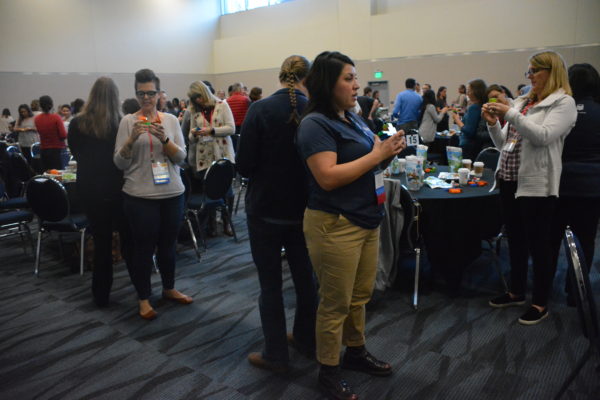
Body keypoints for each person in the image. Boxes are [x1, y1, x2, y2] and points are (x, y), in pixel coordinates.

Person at [297, 51, 406, 399]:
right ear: (328, 83)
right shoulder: (315, 124)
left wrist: (387, 152)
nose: (357, 84)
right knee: (334, 304)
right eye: (348, 78)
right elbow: (327, 177)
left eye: (355, 77)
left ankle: (355, 352)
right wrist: (377, 155)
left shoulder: (351, 118)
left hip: (365, 218)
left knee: (360, 296)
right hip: (334, 224)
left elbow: (368, 161)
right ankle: (328, 372)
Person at [236, 55, 319, 374]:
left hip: (265, 211)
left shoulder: (260, 109)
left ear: (281, 76)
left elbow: (243, 166)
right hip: (306, 211)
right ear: (307, 79)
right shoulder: (315, 111)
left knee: (270, 285)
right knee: (306, 280)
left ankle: (276, 354)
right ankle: (306, 340)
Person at [483, 50, 577, 325]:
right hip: (509, 179)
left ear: (552, 71)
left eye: (536, 70)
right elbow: (504, 145)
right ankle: (516, 291)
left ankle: (540, 301)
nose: (531, 76)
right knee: (516, 241)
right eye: (529, 71)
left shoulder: (563, 103)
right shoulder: (524, 101)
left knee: (539, 245)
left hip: (537, 184)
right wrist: (493, 125)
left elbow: (544, 136)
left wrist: (510, 113)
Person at [114, 68, 191, 320]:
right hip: (139, 196)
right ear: (136, 94)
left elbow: (182, 158)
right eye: (141, 93)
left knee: (169, 247)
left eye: (151, 93)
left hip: (172, 193)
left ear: (159, 94)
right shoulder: (127, 122)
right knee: (143, 249)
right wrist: (129, 142)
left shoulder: (170, 120)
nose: (146, 98)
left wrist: (166, 140)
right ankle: (144, 298)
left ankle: (169, 288)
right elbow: (119, 164)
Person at [68, 77, 133, 307]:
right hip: (117, 188)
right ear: (116, 96)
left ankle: (101, 294)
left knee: (101, 242)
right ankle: (141, 289)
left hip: (88, 188)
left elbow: (75, 153)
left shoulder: (77, 124)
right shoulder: (121, 123)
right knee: (128, 240)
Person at [549, 63, 600, 305]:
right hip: (592, 187)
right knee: (586, 240)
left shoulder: (560, 111)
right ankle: (575, 292)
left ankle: (543, 289)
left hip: (558, 184)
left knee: (550, 239)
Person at [186, 80, 236, 236]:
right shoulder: (194, 110)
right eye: (195, 98)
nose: (198, 101)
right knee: (210, 190)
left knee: (226, 191)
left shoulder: (222, 105)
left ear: (204, 93)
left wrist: (212, 130)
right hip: (205, 156)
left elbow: (231, 128)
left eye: (199, 97)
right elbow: (190, 135)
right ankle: (213, 223)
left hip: (222, 155)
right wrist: (194, 134)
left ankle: (227, 222)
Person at [451, 79, 488, 159]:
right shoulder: (481, 106)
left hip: (468, 146)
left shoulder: (474, 108)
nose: (467, 93)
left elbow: (469, 131)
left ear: (476, 92)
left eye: (469, 90)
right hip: (475, 146)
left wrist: (457, 119)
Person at [34, 95, 68, 170]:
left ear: (40, 105)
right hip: (57, 151)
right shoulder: (56, 117)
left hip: (43, 150)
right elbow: (63, 135)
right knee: (60, 174)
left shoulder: (37, 119)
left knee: (47, 174)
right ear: (52, 104)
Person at [227, 82, 251, 150]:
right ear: (240, 89)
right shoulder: (245, 99)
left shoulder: (227, 100)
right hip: (242, 127)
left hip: (232, 127)